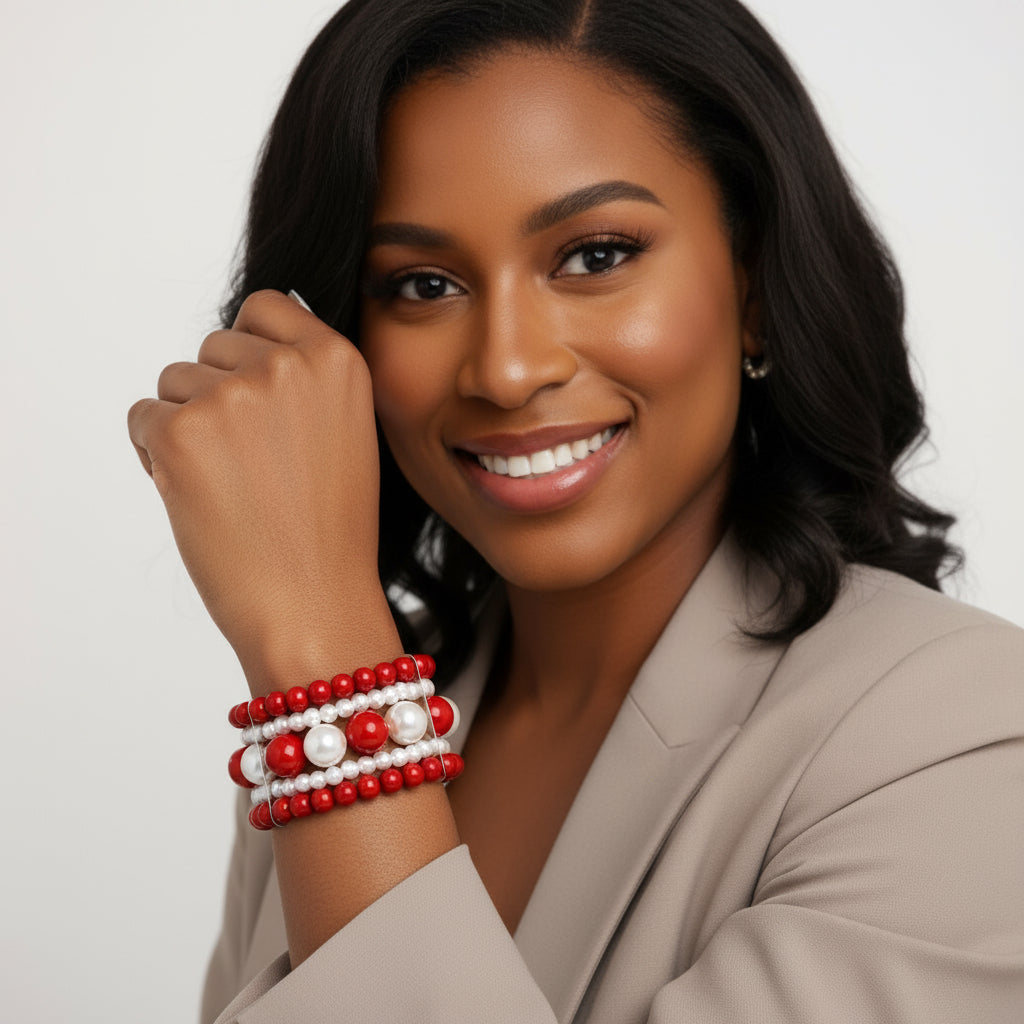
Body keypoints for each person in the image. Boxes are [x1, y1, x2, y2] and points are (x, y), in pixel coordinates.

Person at [127, 0, 1024, 1020]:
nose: (507, 369)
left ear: (757, 284)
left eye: (594, 255)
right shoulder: (339, 724)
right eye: (421, 283)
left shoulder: (965, 740)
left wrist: (328, 679)